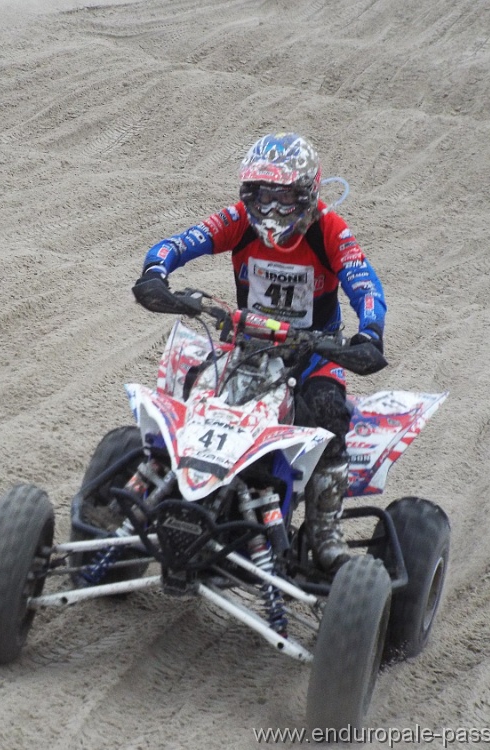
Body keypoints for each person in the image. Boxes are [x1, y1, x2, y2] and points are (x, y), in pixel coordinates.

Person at [133, 132, 386, 572]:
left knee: (328, 413)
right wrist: (156, 271)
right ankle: (158, 484)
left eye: (283, 195)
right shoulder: (239, 220)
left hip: (313, 353)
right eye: (261, 194)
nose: (270, 208)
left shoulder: (330, 229)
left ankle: (325, 529)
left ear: (306, 192)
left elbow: (364, 283)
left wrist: (370, 332)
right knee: (189, 391)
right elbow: (182, 241)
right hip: (245, 344)